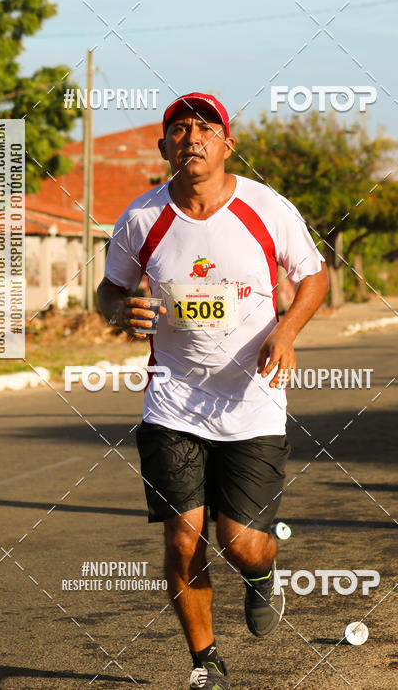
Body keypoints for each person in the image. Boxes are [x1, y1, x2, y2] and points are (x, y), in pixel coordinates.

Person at [98, 92, 328, 689]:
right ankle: (205, 662)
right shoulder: (142, 218)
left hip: (254, 403)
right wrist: (121, 311)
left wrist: (287, 331)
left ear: (227, 144)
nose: (192, 137)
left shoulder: (266, 208)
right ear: (163, 146)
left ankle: (261, 575)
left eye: (205, 127)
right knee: (184, 539)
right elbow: (109, 290)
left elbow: (313, 274)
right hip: (173, 402)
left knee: (242, 544)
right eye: (178, 128)